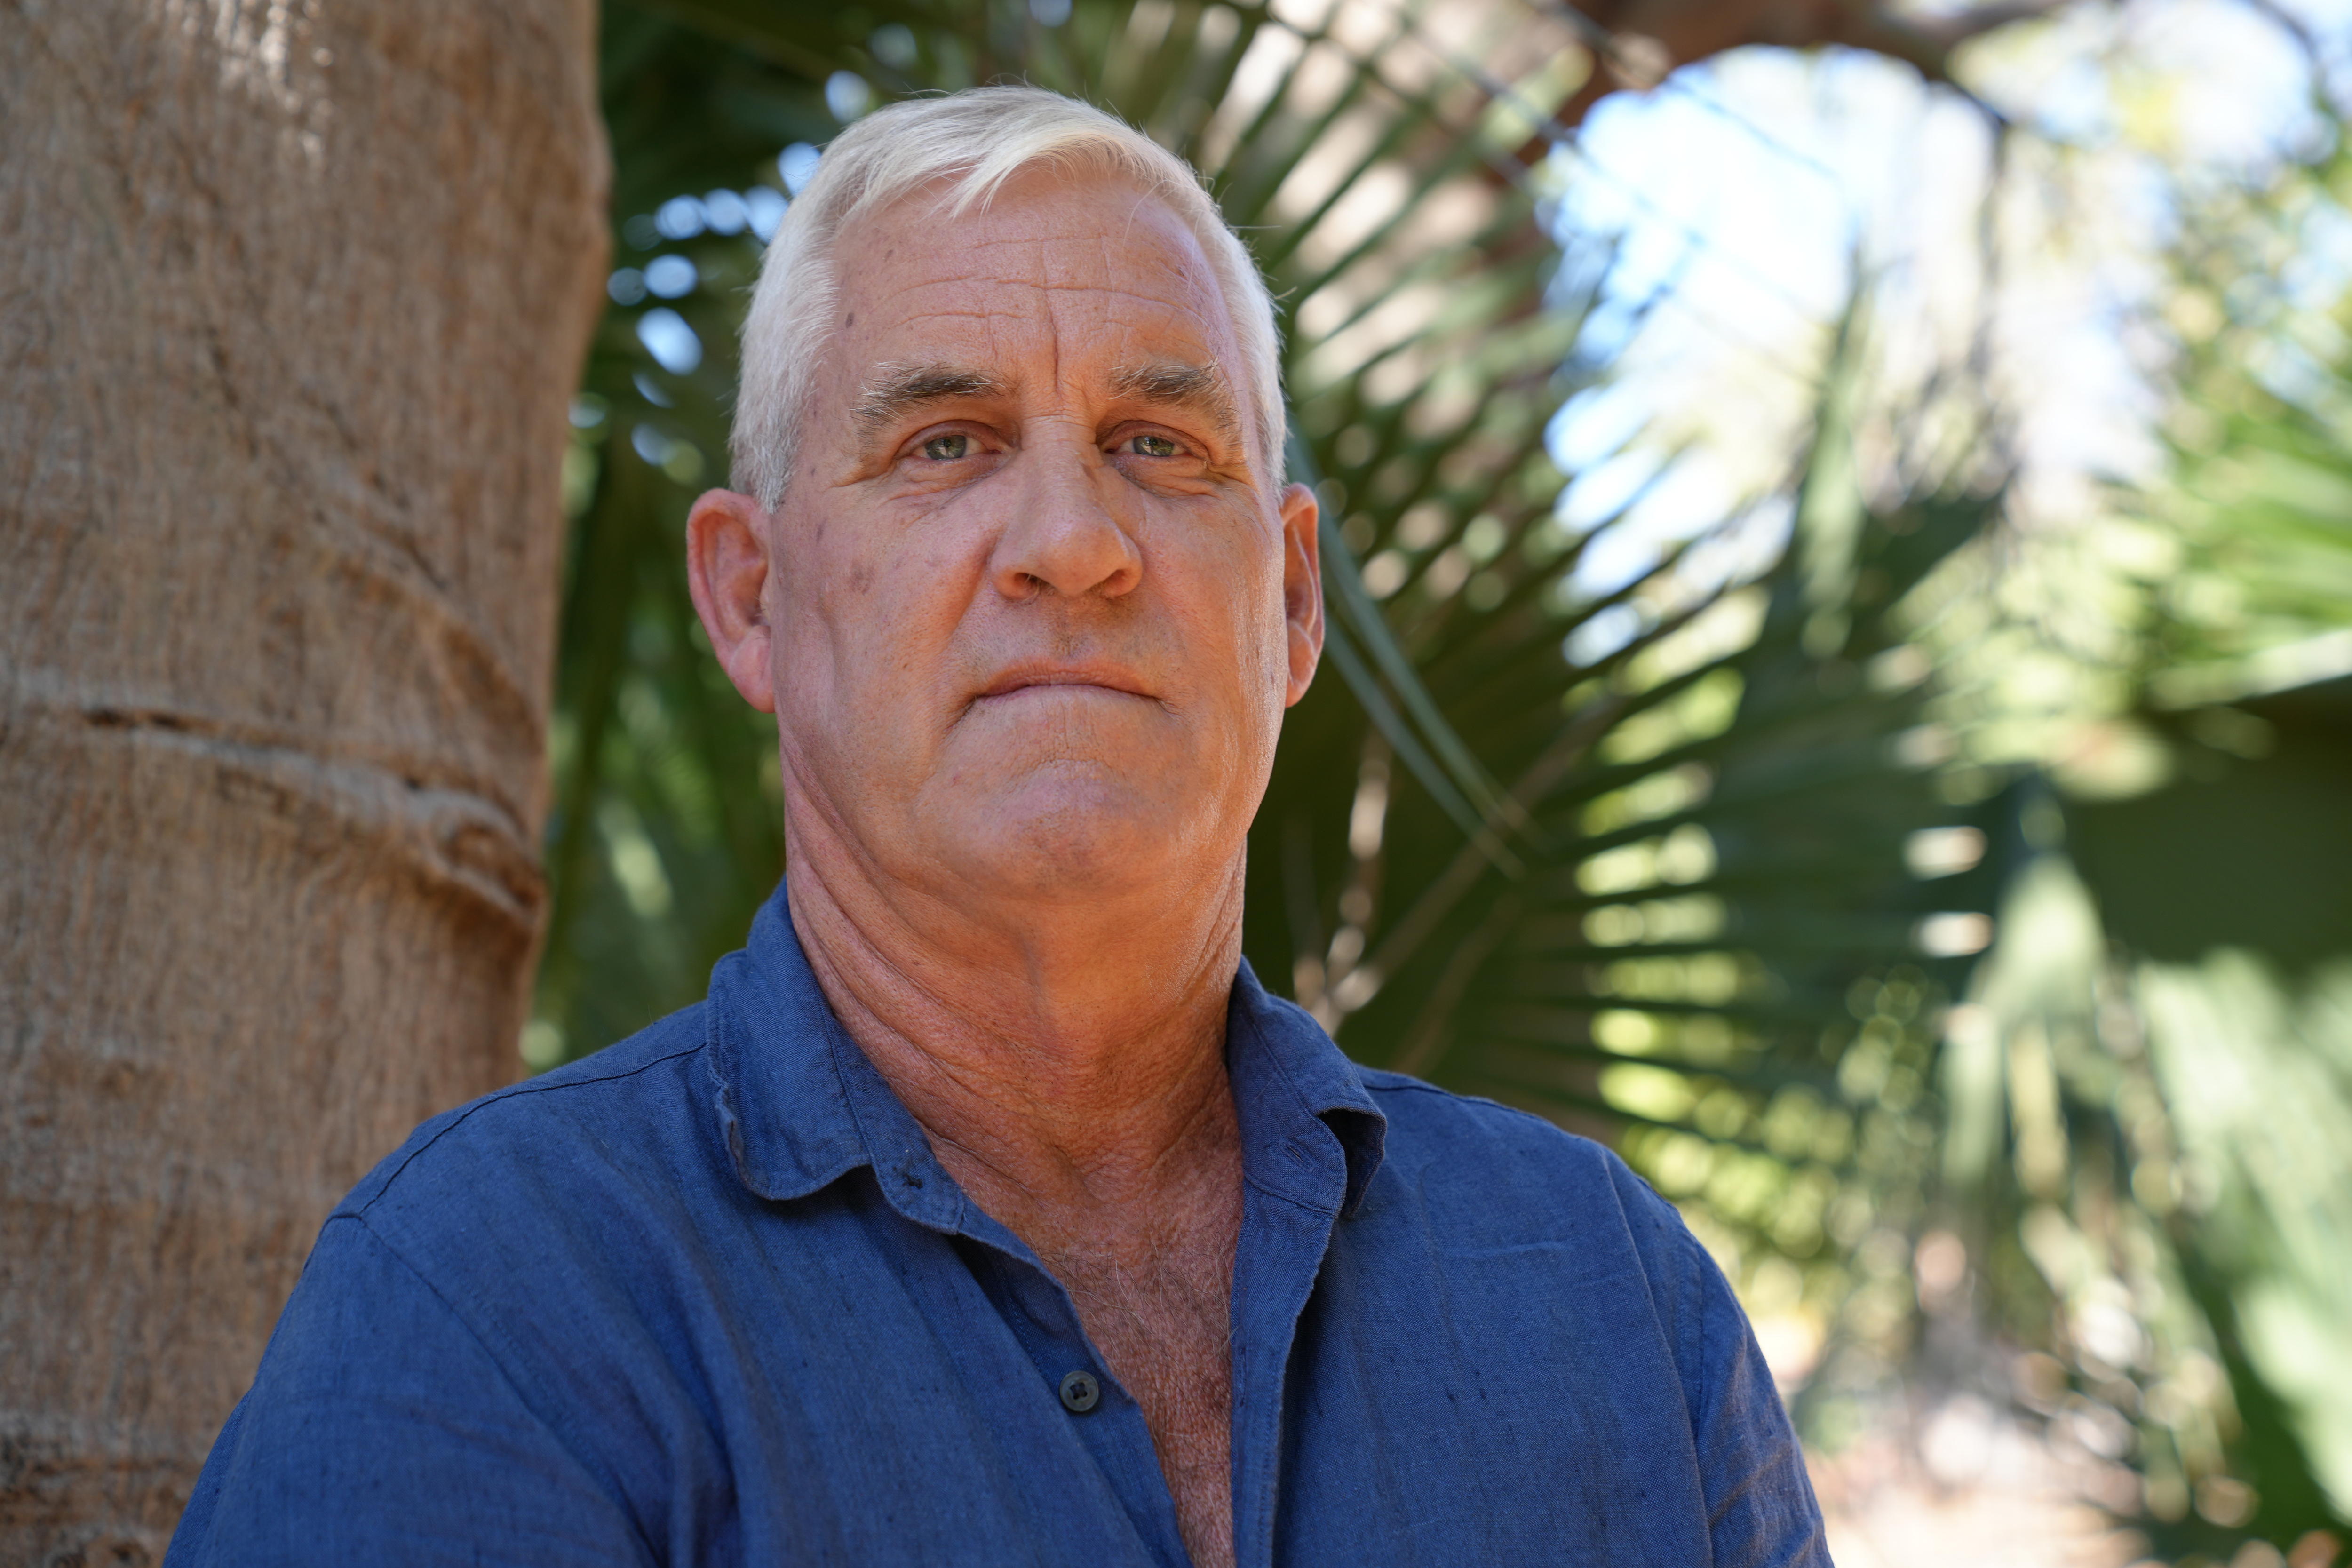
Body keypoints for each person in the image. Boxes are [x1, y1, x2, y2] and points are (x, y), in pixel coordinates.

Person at [167, 86, 1830, 1568]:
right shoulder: (497, 1304)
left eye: (1157, 445)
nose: (1073, 543)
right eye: (945, 444)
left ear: (1290, 600)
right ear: (751, 599)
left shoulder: (1605, 1296)